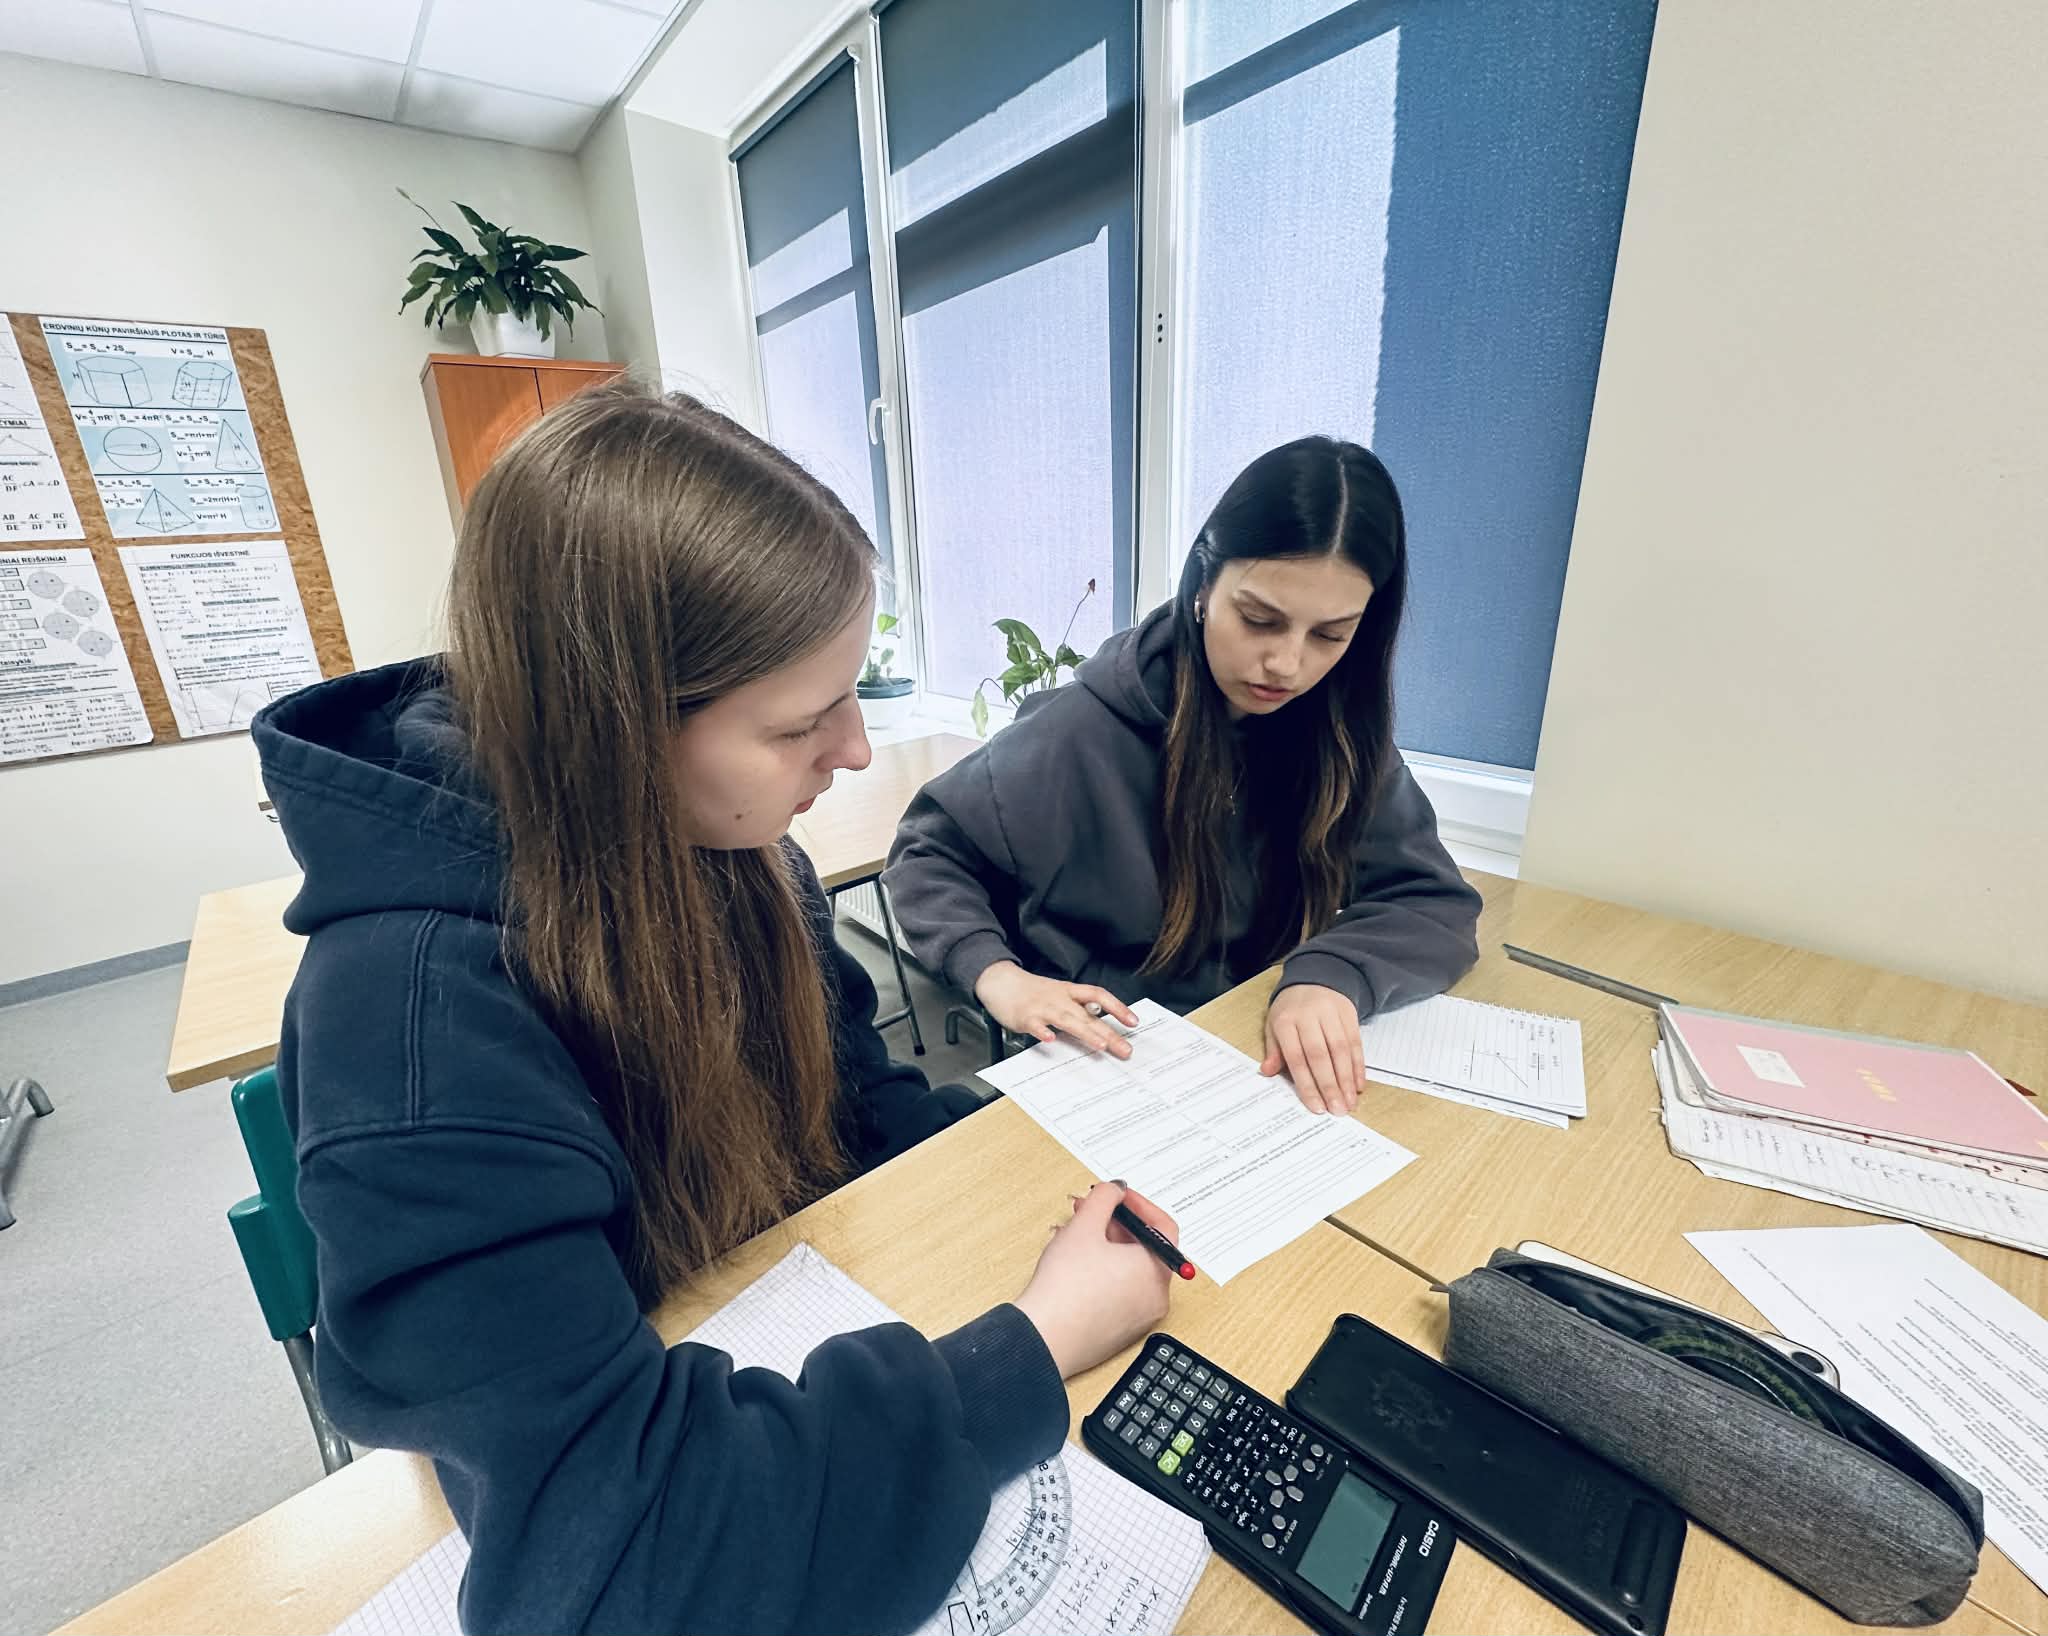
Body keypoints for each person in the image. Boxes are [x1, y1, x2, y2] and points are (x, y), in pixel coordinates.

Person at [251, 382, 1178, 1635]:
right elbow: (622, 1567)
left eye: (851, 693)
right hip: (642, 1437)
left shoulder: (734, 853)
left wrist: (1022, 1154)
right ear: (617, 730)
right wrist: (1034, 1341)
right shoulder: (414, 1033)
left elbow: (851, 1102)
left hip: (762, 1326)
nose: (853, 751)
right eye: (799, 722)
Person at [885, 436, 1481, 1116]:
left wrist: (1330, 977)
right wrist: (999, 977)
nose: (1287, 664)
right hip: (1117, 1067)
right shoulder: (1076, 732)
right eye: (1259, 619)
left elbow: (1433, 902)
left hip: (1256, 1055)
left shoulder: (1340, 735)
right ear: (1202, 587)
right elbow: (927, 853)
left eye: (1330, 635)